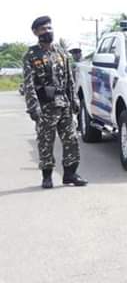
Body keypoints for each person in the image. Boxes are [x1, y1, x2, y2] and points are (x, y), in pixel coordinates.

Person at [23, 16, 88, 189]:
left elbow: (69, 79)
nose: (47, 31)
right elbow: (29, 84)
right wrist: (33, 107)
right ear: (36, 32)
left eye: (49, 28)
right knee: (46, 141)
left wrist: (73, 99)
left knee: (71, 140)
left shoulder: (61, 53)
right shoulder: (31, 55)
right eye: (43, 29)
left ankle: (70, 174)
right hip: (45, 105)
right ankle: (47, 176)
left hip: (64, 103)